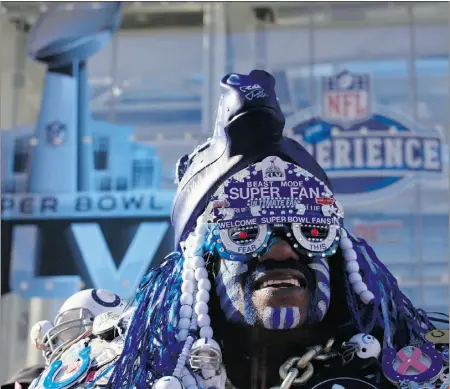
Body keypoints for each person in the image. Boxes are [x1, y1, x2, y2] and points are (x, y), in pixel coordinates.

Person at [107, 70, 449, 389]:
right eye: (243, 231)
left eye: (310, 230)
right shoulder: (119, 370)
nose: (282, 250)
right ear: (201, 259)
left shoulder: (423, 374)